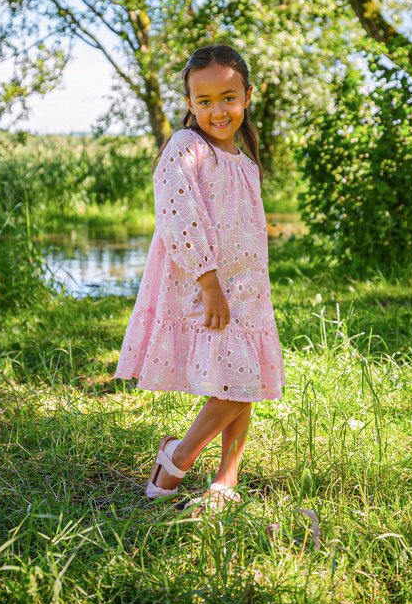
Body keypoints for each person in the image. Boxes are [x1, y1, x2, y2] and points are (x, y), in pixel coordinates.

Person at [112, 43, 285, 513]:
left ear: (248, 96)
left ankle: (225, 482)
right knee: (236, 379)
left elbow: (247, 232)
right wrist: (209, 282)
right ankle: (179, 456)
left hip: (246, 287)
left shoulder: (247, 164)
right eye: (204, 101)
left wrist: (244, 285)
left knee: (241, 381)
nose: (218, 110)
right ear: (189, 103)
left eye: (228, 97)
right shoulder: (186, 149)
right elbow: (179, 216)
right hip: (203, 285)